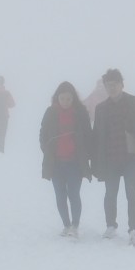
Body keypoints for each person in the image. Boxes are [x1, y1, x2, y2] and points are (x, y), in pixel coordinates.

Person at [89, 68, 135, 247]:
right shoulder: (101, 108)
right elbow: (97, 136)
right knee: (110, 193)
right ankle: (110, 226)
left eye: (114, 85)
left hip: (132, 158)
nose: (111, 88)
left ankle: (134, 230)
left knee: (132, 192)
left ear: (122, 84)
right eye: (108, 86)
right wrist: (95, 161)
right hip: (110, 159)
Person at [38, 81, 90, 237]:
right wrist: (46, 151)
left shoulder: (80, 113)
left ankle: (75, 225)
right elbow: (43, 134)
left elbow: (88, 135)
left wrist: (86, 154)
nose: (65, 102)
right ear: (57, 98)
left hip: (75, 163)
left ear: (73, 98)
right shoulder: (50, 112)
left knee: (74, 194)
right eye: (62, 98)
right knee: (60, 195)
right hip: (56, 163)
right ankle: (66, 224)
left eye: (69, 99)